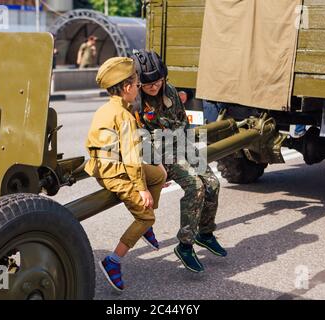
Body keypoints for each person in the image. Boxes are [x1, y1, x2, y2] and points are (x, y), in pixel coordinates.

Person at [131, 49, 227, 274]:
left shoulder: (170, 91)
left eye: (158, 81)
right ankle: (185, 245)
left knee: (213, 184)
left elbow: (183, 121)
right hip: (162, 154)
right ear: (138, 83)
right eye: (148, 84)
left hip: (182, 145)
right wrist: (156, 168)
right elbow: (139, 139)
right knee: (196, 187)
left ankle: (205, 233)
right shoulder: (136, 104)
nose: (154, 87)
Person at [85, 57, 167, 292]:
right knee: (146, 216)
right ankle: (113, 261)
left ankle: (144, 227)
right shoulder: (124, 116)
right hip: (115, 173)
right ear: (127, 88)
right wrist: (141, 189)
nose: (139, 87)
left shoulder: (108, 108)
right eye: (137, 83)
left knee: (159, 176)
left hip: (109, 167)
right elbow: (131, 156)